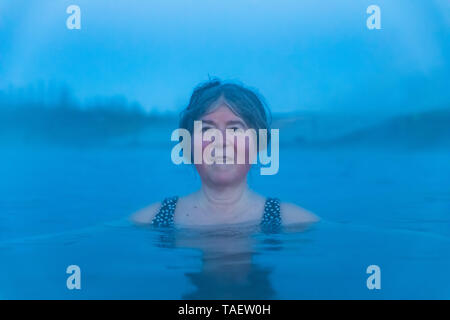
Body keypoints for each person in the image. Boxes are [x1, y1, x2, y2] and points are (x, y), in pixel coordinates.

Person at [131, 79, 319, 229]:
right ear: (188, 145)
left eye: (235, 130)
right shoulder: (151, 220)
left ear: (259, 144)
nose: (220, 141)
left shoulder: (296, 222)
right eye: (206, 130)